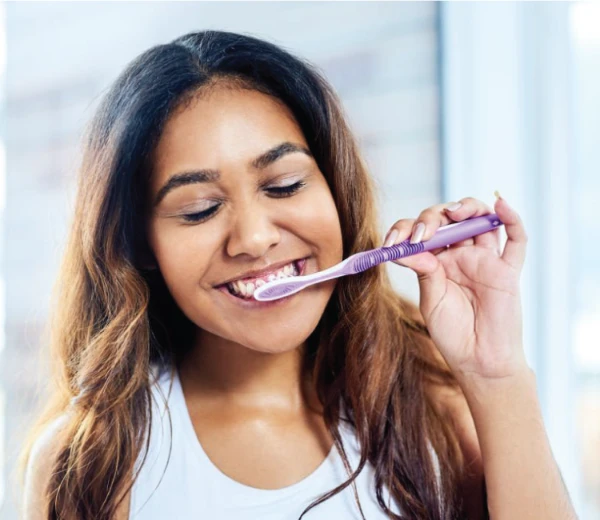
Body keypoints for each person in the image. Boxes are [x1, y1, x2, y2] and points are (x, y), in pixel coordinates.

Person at [19, 30, 576, 520]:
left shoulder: (438, 405)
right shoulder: (89, 461)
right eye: (199, 210)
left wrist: (496, 375)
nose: (255, 238)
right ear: (140, 243)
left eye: (284, 185)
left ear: (336, 188)